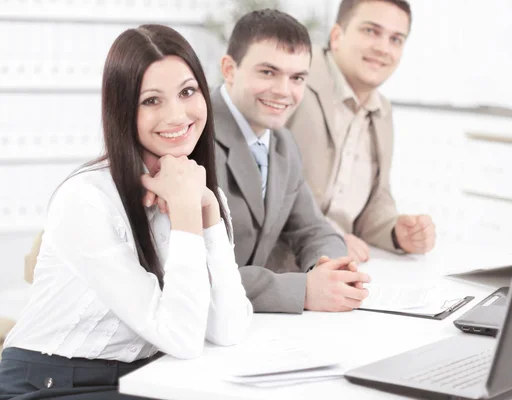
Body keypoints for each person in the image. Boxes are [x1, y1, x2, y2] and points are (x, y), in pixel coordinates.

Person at [0, 24, 252, 399]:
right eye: (151, 100)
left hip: (143, 377)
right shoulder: (85, 199)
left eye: (187, 91)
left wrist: (210, 214)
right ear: (122, 110)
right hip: (47, 381)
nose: (176, 114)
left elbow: (227, 330)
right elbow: (182, 338)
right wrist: (185, 214)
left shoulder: (197, 190)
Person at [212, 9, 371, 314]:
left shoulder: (282, 143)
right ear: (230, 70)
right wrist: (303, 290)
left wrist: (331, 270)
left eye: (297, 77)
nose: (284, 91)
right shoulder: (191, 135)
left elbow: (314, 229)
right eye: (268, 72)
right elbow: (195, 273)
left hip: (251, 327)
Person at [287, 0, 436, 263]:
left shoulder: (382, 111)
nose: (383, 49)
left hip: (342, 267)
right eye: (370, 31)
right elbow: (260, 189)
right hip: (284, 268)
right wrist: (326, 236)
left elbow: (374, 201)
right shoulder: (293, 83)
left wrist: (396, 231)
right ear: (337, 36)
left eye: (396, 39)